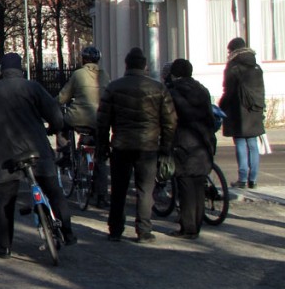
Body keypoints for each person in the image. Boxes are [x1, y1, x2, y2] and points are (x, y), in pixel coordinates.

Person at [0, 52, 75, 258]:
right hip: (38, 149)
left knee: (6, 200)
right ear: (21, 69)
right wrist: (54, 128)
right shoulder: (33, 87)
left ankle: (4, 247)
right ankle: (67, 231)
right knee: (53, 190)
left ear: (1, 70)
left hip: (6, 153)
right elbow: (55, 113)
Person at [96, 47, 177, 244]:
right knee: (145, 190)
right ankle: (144, 230)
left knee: (119, 189)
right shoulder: (158, 88)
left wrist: (102, 146)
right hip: (148, 147)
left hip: (121, 145)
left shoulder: (114, 87)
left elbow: (102, 121)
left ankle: (115, 229)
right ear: (145, 66)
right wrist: (165, 146)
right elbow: (170, 121)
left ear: (126, 65)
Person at [166, 59, 216, 239]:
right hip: (203, 142)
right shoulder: (202, 90)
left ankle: (188, 227)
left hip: (183, 143)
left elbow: (170, 120)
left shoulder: (172, 92)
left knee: (185, 186)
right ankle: (196, 224)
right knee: (198, 186)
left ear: (173, 74)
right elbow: (211, 117)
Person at [56, 45, 111, 206]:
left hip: (78, 118)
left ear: (84, 59)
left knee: (61, 125)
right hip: (100, 120)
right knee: (100, 157)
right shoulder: (105, 75)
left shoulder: (78, 74)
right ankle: (101, 197)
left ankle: (65, 154)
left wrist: (53, 104)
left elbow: (63, 97)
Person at [218, 37, 266, 189]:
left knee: (240, 142)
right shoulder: (256, 67)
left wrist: (221, 106)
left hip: (238, 110)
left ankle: (243, 178)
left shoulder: (233, 67)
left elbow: (228, 90)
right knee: (252, 143)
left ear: (233, 50)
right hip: (255, 109)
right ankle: (253, 179)